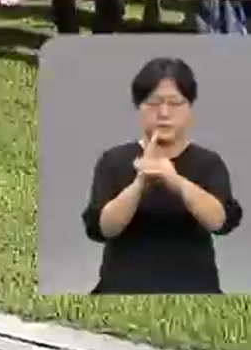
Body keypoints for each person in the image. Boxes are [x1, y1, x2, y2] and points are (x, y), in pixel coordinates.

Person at [82, 57, 241, 294]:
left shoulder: (209, 163)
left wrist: (175, 180)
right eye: (154, 103)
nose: (164, 113)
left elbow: (219, 221)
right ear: (139, 108)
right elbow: (103, 228)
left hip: (194, 288)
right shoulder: (114, 161)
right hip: (121, 287)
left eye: (175, 103)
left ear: (189, 109)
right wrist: (139, 183)